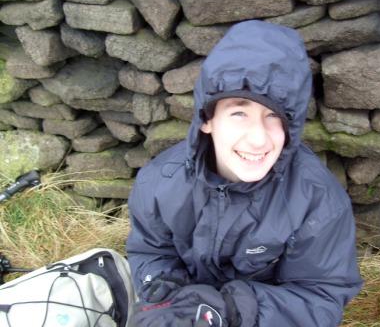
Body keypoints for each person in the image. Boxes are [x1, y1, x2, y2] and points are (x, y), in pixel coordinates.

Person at [126, 20, 363, 327]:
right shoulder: (158, 183)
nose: (259, 139)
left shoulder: (317, 201)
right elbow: (149, 250)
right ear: (206, 120)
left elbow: (320, 296)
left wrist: (231, 310)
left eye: (274, 117)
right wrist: (167, 297)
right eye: (239, 113)